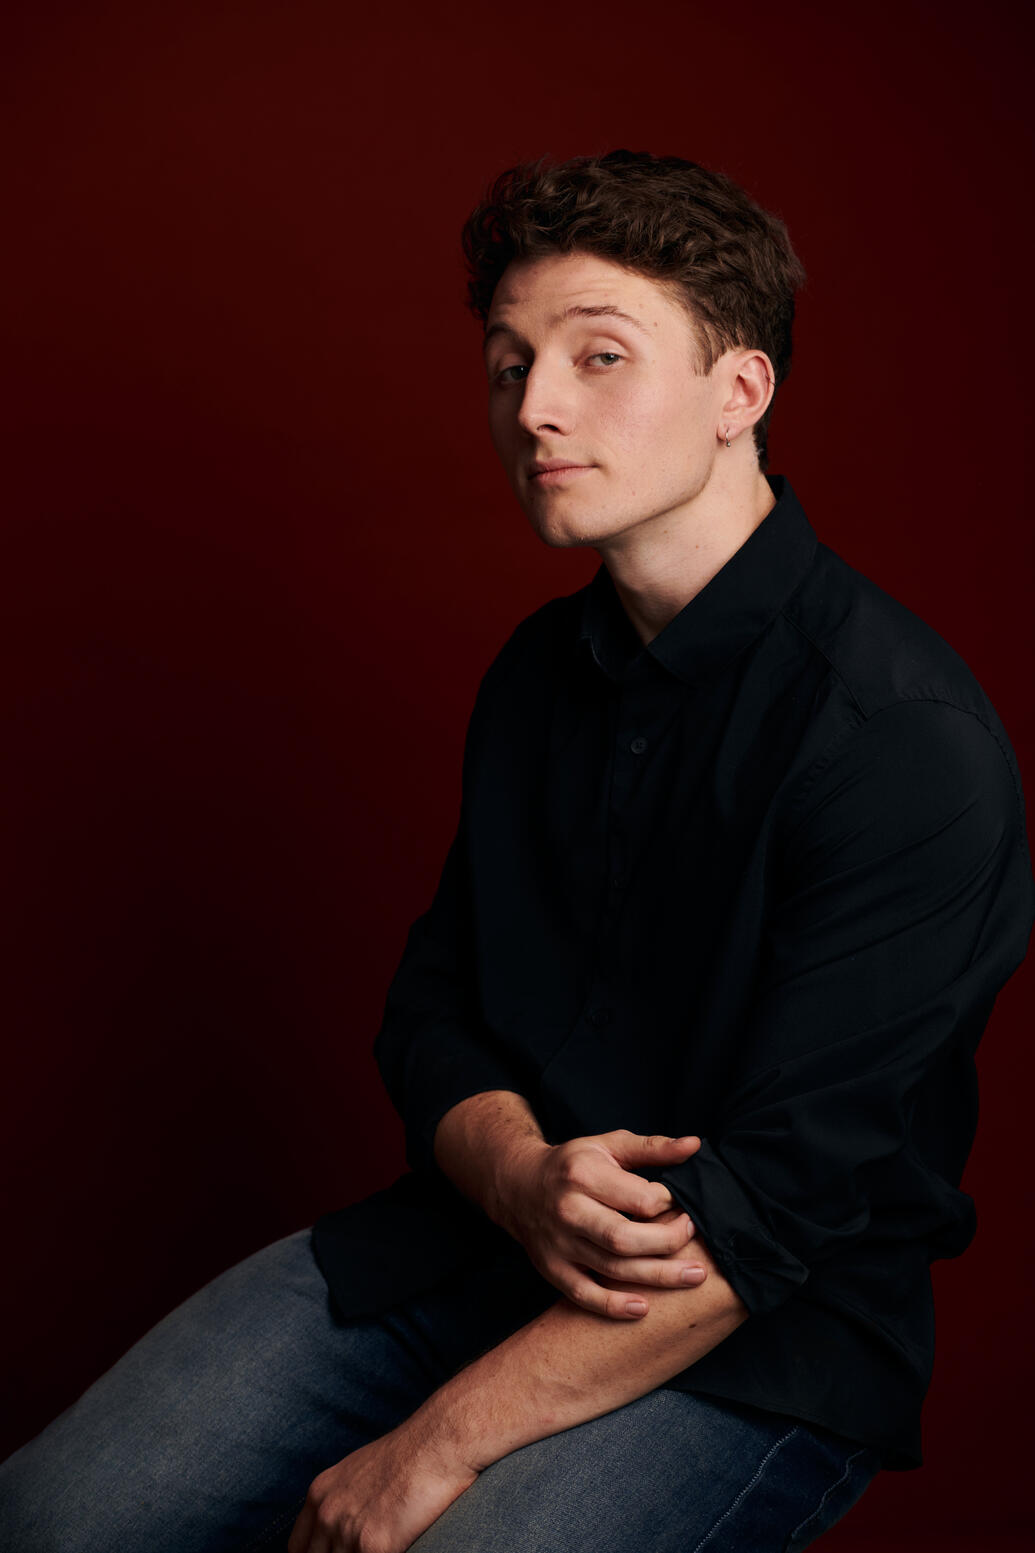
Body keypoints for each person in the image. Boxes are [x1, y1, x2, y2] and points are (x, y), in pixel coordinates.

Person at [1, 150, 1031, 1553]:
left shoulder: (902, 739)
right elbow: (433, 1010)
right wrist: (517, 1178)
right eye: (509, 364)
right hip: (471, 1241)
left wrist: (428, 1449)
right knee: (52, 1517)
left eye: (599, 356)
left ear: (740, 393)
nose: (534, 406)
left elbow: (772, 1219)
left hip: (745, 1328)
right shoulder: (540, 675)